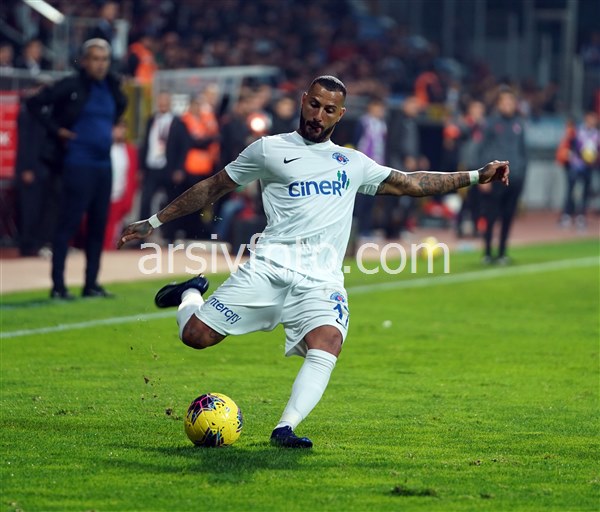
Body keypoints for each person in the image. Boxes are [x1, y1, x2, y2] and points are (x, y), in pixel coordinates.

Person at [118, 76, 509, 448]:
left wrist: (477, 176)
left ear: (341, 115)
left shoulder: (352, 163)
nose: (319, 115)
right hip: (269, 269)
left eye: (329, 110)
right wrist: (153, 222)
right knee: (196, 337)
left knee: (329, 341)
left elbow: (411, 182)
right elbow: (212, 187)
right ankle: (189, 294)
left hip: (321, 281)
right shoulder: (268, 149)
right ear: (303, 101)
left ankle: (285, 427)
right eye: (315, 105)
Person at [27, 38, 127, 299]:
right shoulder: (71, 85)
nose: (100, 64)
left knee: (98, 225)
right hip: (78, 163)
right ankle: (58, 286)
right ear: (84, 61)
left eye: (104, 59)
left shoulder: (112, 87)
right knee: (67, 225)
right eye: (95, 59)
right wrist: (57, 130)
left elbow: (120, 109)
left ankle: (91, 284)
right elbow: (34, 103)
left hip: (104, 164)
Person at [479, 88, 527, 265]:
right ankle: (487, 252)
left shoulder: (519, 124)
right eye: (504, 102)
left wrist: (522, 174)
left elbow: (523, 152)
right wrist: (483, 177)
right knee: (491, 215)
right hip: (496, 177)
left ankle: (502, 253)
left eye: (510, 102)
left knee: (508, 216)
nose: (508, 105)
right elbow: (483, 150)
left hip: (515, 178)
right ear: (498, 104)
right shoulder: (491, 123)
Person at [138, 91, 187, 242]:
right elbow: (145, 144)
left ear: (170, 103)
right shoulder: (151, 120)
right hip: (152, 167)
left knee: (171, 203)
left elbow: (183, 147)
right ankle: (141, 236)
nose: (162, 104)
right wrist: (141, 167)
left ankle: (170, 236)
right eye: (160, 101)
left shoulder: (178, 123)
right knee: (145, 201)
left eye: (165, 101)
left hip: (169, 169)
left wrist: (179, 168)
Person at [560, 111, 599, 229]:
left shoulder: (597, 134)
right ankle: (567, 215)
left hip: (589, 167)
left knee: (585, 192)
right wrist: (583, 155)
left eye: (594, 119)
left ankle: (581, 216)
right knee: (571, 190)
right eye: (590, 119)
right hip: (576, 165)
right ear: (586, 119)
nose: (592, 121)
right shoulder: (578, 131)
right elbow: (572, 146)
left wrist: (594, 158)